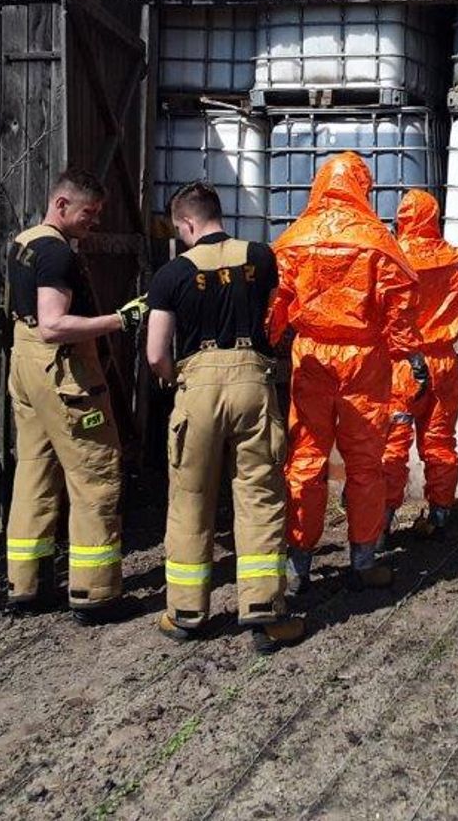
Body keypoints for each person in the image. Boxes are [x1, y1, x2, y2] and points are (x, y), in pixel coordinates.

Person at [145, 181, 304, 654]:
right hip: (254, 384)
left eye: (179, 228)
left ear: (188, 223)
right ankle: (263, 613)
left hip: (197, 390)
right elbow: (280, 321)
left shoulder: (171, 274)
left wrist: (176, 380)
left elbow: (156, 352)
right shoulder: (261, 257)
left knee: (191, 499)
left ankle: (187, 614)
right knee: (259, 496)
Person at [268, 152, 428, 592]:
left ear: (319, 184)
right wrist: (409, 356)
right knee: (364, 461)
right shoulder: (378, 240)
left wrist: (268, 342)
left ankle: (298, 565)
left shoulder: (294, 239)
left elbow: (275, 300)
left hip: (312, 357)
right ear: (362, 187)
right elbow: (399, 305)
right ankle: (364, 559)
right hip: (365, 359)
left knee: (305, 458)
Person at [5, 168, 148, 623]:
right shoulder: (56, 255)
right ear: (62, 204)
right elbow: (52, 325)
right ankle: (96, 593)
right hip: (64, 370)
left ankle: (25, 586)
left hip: (25, 365)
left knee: (35, 470)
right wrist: (119, 321)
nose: (96, 221)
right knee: (95, 475)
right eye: (90, 212)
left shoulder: (23, 243)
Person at [382, 189, 458, 540]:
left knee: (393, 446)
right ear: (433, 218)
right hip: (444, 363)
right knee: (440, 442)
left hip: (403, 365)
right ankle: (440, 516)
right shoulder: (457, 260)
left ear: (402, 219)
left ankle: (381, 522)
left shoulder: (392, 257)